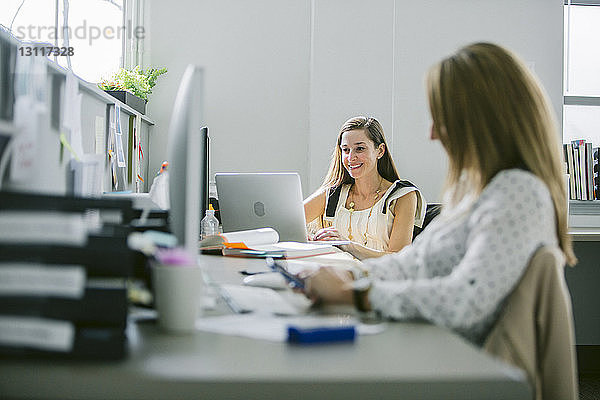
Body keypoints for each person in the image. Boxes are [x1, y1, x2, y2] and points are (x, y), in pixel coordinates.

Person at [302, 42, 576, 346]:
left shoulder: (517, 194)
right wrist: (353, 278)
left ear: (484, 119)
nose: (432, 133)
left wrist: (356, 294)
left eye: (442, 117)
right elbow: (416, 264)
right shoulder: (472, 191)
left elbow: (466, 299)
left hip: (466, 361)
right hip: (439, 343)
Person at [303, 116, 427, 260]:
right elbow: (286, 222)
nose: (351, 157)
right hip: (335, 273)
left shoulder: (403, 196)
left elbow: (398, 259)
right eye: (346, 150)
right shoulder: (333, 194)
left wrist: (348, 246)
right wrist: (308, 242)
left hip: (377, 279)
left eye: (359, 149)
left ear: (380, 151)